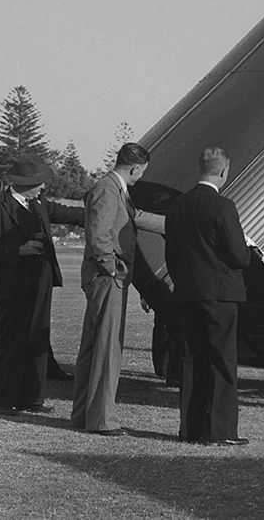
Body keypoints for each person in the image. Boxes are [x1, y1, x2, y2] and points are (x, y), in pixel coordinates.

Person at [0, 154, 84, 415]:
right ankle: (3, 400)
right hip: (11, 284)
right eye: (39, 182)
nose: (44, 187)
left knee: (38, 337)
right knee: (10, 342)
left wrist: (107, 208)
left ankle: (32, 400)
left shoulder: (40, 204)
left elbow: (72, 215)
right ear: (24, 183)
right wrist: (19, 250)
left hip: (40, 282)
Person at [71, 143, 165, 437]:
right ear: (135, 168)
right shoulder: (108, 189)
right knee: (107, 348)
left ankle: (84, 415)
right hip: (107, 278)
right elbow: (98, 234)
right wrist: (110, 266)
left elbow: (135, 216)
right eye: (141, 173)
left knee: (95, 346)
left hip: (106, 277)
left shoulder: (115, 189)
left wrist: (179, 223)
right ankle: (102, 420)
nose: (140, 177)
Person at [165, 146, 254, 446]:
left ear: (200, 168)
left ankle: (190, 429)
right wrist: (248, 250)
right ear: (223, 171)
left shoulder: (178, 205)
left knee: (191, 360)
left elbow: (172, 253)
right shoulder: (223, 206)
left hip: (189, 291)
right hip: (220, 294)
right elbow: (238, 256)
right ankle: (220, 431)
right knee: (222, 361)